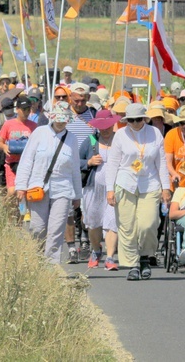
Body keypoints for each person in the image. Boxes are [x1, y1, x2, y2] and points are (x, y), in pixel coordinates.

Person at [106, 103, 171, 281]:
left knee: (148, 223)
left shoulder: (154, 133)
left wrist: (166, 188)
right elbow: (112, 164)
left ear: (144, 118)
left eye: (138, 119)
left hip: (149, 182)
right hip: (125, 182)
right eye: (131, 120)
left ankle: (145, 257)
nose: (135, 123)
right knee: (127, 227)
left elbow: (162, 162)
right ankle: (132, 265)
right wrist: (109, 189)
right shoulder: (120, 135)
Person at [15, 102, 83, 263]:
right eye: (58, 118)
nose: (60, 122)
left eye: (64, 119)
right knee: (37, 228)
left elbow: (75, 168)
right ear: (52, 117)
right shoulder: (39, 133)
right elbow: (26, 161)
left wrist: (77, 195)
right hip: (38, 187)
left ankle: (51, 267)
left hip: (63, 189)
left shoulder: (72, 139)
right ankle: (36, 259)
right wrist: (21, 186)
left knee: (56, 229)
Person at [80, 110, 120, 270]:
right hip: (93, 188)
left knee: (112, 222)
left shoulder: (119, 139)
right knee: (93, 222)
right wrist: (88, 162)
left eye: (108, 126)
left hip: (114, 189)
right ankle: (96, 250)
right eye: (102, 126)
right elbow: (76, 160)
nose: (105, 129)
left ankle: (110, 257)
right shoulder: (90, 140)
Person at [64, 82, 97, 263]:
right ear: (70, 98)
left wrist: (91, 147)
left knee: (85, 207)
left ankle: (85, 239)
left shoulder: (93, 115)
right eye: (76, 100)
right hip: (67, 166)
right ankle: (71, 245)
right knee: (70, 208)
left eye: (82, 100)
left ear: (88, 99)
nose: (79, 104)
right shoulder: (64, 115)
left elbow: (95, 136)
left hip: (87, 166)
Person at [0, 97, 37, 203]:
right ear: (17, 109)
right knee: (12, 192)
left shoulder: (34, 126)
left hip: (28, 164)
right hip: (12, 163)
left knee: (24, 193)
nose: (26, 112)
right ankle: (7, 211)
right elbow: (0, 142)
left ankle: (20, 217)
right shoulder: (8, 124)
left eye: (28, 110)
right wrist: (5, 147)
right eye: (23, 109)